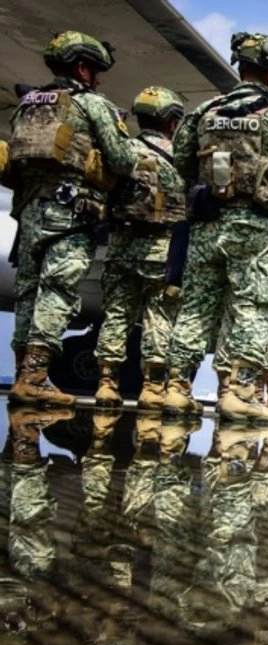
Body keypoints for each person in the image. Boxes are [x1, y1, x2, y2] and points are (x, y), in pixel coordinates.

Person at [162, 32, 268, 422]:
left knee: (196, 309)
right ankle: (239, 391)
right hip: (257, 229)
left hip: (207, 226)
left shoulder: (203, 112)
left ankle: (175, 389)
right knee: (254, 309)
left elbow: (180, 165)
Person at [7, 31, 136, 407]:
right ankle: (35, 377)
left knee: (28, 292)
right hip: (71, 211)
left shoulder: (28, 103)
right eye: (95, 72)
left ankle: (23, 374)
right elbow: (123, 160)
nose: (97, 80)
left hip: (30, 210)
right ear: (82, 67)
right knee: (58, 290)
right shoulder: (92, 103)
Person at [92, 86, 185, 409]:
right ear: (172, 121)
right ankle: (152, 388)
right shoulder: (180, 158)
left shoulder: (122, 152)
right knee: (159, 316)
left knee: (116, 314)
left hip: (120, 247)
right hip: (161, 250)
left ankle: (106, 384)